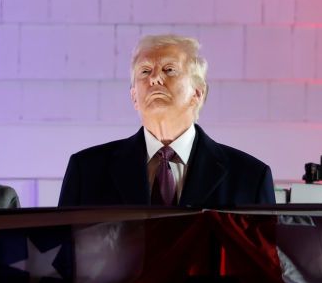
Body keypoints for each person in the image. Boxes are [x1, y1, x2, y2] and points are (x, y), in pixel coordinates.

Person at [58, 34, 275, 207]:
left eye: (169, 69)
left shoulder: (250, 177)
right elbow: (61, 258)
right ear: (134, 96)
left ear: (198, 92)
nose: (154, 78)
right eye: (144, 71)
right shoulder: (87, 171)